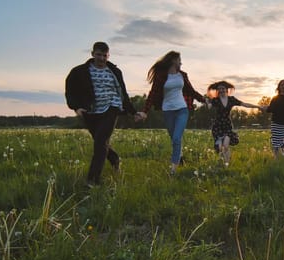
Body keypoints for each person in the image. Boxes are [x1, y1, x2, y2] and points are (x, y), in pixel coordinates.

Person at [65, 41, 141, 186]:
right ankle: (114, 159)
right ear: (92, 54)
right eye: (98, 55)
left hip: (112, 108)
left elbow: (123, 93)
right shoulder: (79, 71)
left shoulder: (115, 71)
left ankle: (92, 181)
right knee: (101, 142)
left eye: (104, 55)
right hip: (91, 112)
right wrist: (76, 107)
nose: (101, 58)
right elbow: (70, 91)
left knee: (100, 142)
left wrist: (133, 112)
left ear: (108, 55)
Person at [138, 51, 207, 174]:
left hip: (182, 109)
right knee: (174, 139)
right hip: (167, 110)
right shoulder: (161, 76)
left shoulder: (182, 75)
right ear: (173, 60)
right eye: (179, 59)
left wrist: (204, 100)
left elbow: (191, 91)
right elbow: (153, 93)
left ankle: (173, 169)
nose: (181, 62)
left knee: (176, 138)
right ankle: (180, 156)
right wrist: (145, 112)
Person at [207, 81, 263, 166]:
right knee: (219, 147)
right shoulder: (215, 100)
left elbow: (245, 104)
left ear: (226, 89)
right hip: (217, 126)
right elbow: (209, 106)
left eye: (223, 88)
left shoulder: (231, 99)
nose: (221, 90)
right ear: (217, 91)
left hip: (227, 125)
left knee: (225, 145)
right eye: (219, 89)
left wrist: (258, 107)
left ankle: (227, 163)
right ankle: (222, 161)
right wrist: (207, 101)